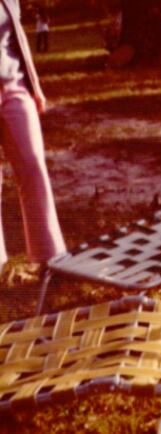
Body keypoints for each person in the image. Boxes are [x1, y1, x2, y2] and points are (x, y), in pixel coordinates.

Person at [0, 0, 65, 276]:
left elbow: (17, 37)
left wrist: (35, 85)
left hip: (13, 87)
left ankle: (49, 257)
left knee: (33, 164)